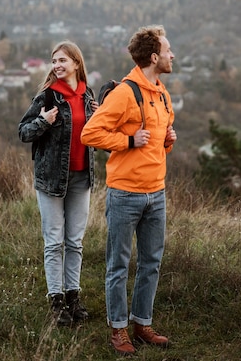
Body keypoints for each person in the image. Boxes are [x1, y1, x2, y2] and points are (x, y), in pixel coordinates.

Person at [81, 25, 177, 355]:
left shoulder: (163, 94)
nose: (172, 55)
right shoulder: (125, 93)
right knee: (118, 265)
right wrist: (127, 140)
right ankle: (119, 329)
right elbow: (90, 134)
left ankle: (142, 323)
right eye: (167, 50)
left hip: (157, 193)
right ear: (154, 56)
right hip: (125, 194)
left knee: (151, 263)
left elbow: (159, 139)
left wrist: (167, 141)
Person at [19, 40, 98, 326]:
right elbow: (23, 133)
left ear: (76, 63)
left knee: (75, 242)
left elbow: (95, 136)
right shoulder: (47, 97)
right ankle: (56, 302)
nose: (57, 65)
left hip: (81, 178)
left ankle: (73, 298)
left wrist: (98, 116)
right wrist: (43, 121)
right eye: (54, 61)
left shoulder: (87, 96)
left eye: (62, 60)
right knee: (54, 242)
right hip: (51, 180)